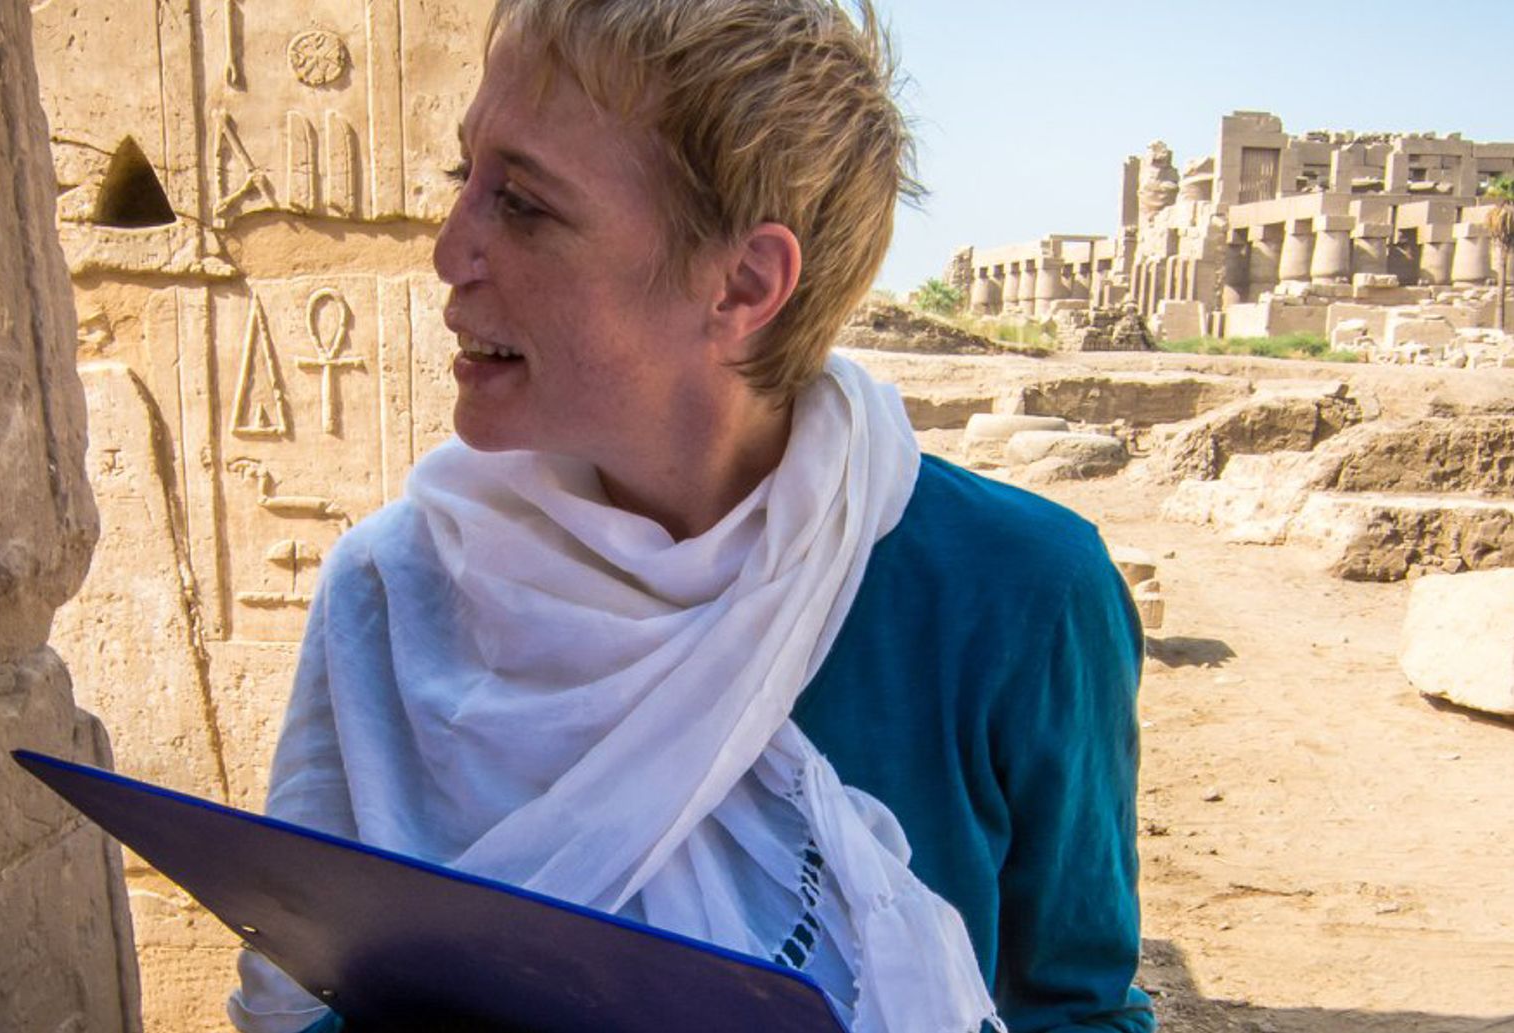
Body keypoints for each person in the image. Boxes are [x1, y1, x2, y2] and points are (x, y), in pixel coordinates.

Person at [228, 1, 1153, 1031]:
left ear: (743, 284)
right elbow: (311, 997)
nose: (449, 251)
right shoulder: (391, 590)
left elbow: (1076, 1006)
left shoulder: (1020, 601)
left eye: (522, 205)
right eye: (464, 176)